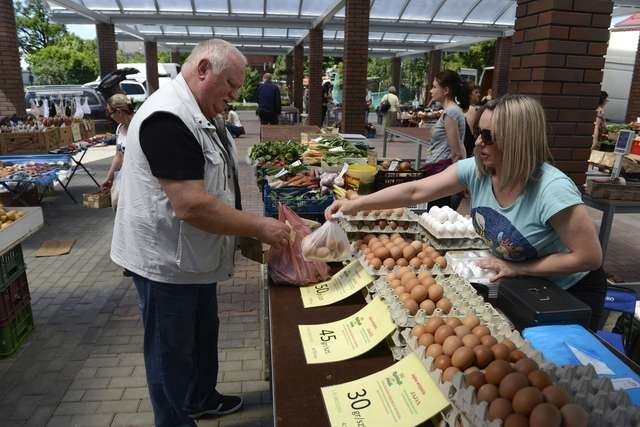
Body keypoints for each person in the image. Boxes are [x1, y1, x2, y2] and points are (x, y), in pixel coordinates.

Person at [110, 39, 291, 427]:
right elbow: (190, 204)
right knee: (170, 352)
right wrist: (258, 225)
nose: (234, 94)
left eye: (238, 87)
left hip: (193, 258)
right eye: (231, 84)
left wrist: (240, 236)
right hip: (164, 264)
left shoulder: (201, 114)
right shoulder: (168, 117)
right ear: (203, 68)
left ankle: (200, 398)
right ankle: (175, 420)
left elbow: (221, 183)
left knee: (203, 334)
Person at [326, 94, 605, 330]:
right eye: (477, 133)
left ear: (518, 140)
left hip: (567, 294)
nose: (478, 143)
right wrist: (356, 204)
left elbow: (588, 257)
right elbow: (416, 191)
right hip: (521, 283)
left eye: (488, 136)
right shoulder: (479, 171)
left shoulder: (551, 190)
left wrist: (518, 268)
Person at [422, 70, 469, 208]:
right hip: (439, 172)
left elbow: (456, 152)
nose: (431, 90)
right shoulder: (450, 111)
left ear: (446, 90)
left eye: (435, 87)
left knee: (436, 215)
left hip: (441, 173)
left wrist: (459, 183)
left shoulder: (451, 112)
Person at [102, 94, 134, 190]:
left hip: (139, 179)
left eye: (110, 113)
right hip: (125, 178)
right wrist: (109, 177)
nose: (110, 116)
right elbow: (119, 155)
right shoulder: (119, 128)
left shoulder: (138, 126)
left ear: (119, 112)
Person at [463, 83, 482, 158]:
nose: (479, 94)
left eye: (479, 92)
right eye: (476, 92)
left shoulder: (464, 108)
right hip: (469, 150)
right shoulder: (471, 110)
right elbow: (473, 133)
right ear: (469, 95)